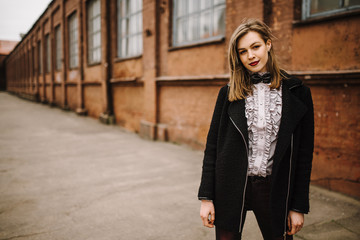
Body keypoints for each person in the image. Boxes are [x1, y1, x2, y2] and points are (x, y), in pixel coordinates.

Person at [198, 18, 314, 240]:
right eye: (243, 51)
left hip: (274, 188)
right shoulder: (228, 93)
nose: (250, 56)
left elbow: (304, 156)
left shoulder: (298, 93)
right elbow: (213, 147)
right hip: (230, 185)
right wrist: (206, 198)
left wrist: (298, 206)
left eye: (255, 47)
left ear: (268, 44)